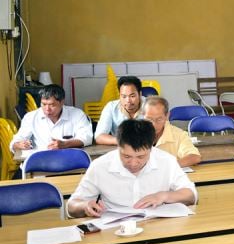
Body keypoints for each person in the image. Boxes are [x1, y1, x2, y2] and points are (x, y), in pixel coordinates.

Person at [67, 119, 197, 218]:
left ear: (151, 148)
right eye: (126, 156)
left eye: (141, 156)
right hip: (115, 229)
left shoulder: (166, 161)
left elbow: (191, 195)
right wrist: (84, 205)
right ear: (118, 146)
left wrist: (164, 196)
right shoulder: (100, 166)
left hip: (157, 225)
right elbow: (72, 206)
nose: (133, 163)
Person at [11, 84, 93, 153]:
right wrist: (18, 144)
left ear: (62, 102)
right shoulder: (31, 117)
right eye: (43, 104)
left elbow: (87, 138)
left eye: (52, 105)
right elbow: (15, 142)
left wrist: (65, 144)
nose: (47, 109)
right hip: (41, 161)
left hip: (70, 159)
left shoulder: (77, 114)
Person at [143, 96, 201, 167]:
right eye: (149, 120)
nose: (154, 125)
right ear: (143, 116)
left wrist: (168, 167)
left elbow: (195, 157)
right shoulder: (134, 133)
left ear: (167, 116)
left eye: (159, 119)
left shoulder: (179, 135)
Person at [95, 76, 144, 145]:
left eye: (132, 96)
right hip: (120, 148)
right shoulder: (111, 107)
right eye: (124, 96)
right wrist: (126, 141)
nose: (128, 101)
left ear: (140, 94)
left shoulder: (151, 106)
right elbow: (99, 137)